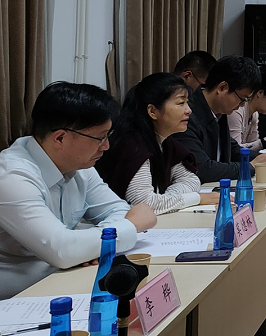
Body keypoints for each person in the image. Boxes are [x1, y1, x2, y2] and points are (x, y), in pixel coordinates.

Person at [0, 82, 157, 299]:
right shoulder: (11, 177)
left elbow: (118, 210)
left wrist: (90, 247)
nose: (106, 146)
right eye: (100, 138)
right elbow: (62, 250)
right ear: (60, 138)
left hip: (66, 282)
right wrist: (129, 227)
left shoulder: (80, 165)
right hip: (17, 299)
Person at [97, 73, 218, 214]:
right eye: (181, 103)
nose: (189, 110)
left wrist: (167, 199)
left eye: (187, 103)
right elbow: (144, 204)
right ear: (152, 111)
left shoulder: (165, 141)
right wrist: (196, 198)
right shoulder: (132, 144)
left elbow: (191, 180)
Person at [170, 55, 266, 183]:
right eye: (242, 99)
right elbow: (202, 168)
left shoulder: (219, 112)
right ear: (222, 88)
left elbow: (233, 150)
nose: (242, 105)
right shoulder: (187, 115)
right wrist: (250, 166)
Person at [228, 70, 266, 151]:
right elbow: (234, 151)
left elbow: (254, 146)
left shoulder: (254, 114)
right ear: (260, 93)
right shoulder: (236, 111)